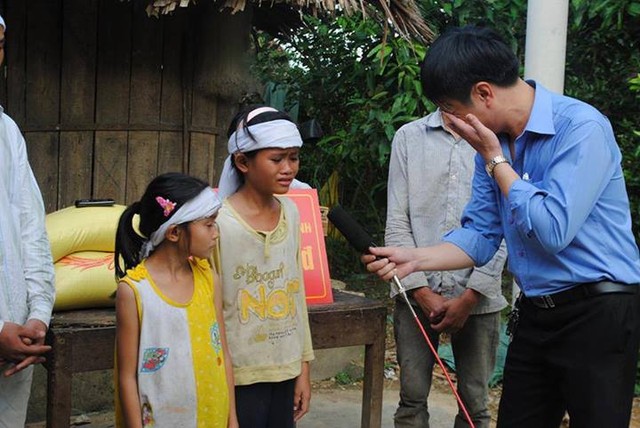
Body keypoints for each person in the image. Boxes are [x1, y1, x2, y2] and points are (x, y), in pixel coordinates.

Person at [363, 25, 640, 428]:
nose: (452, 123)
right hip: (537, 312)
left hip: (598, 312)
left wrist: (497, 161)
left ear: (483, 93)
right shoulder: (493, 144)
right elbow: (480, 235)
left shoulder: (581, 128)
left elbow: (553, 230)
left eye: (451, 110)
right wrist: (414, 258)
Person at [386, 108, 507, 428]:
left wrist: (470, 296)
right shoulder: (408, 137)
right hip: (415, 293)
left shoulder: (497, 140)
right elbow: (396, 223)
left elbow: (507, 223)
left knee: (475, 405)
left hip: (478, 297)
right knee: (411, 401)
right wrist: (421, 292)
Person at [215, 105, 314, 427]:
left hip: (286, 365)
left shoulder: (292, 212)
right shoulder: (218, 224)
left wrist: (303, 367)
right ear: (242, 162)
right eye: (277, 159)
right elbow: (212, 308)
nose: (288, 168)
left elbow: (296, 296)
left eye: (294, 158)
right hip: (239, 371)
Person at [114, 172, 238, 428]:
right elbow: (126, 377)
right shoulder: (135, 291)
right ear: (173, 232)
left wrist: (232, 419)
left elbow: (223, 354)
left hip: (212, 416)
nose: (216, 233)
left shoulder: (208, 279)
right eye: (208, 225)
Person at [0, 14, 56, 428]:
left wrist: (38, 314)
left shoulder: (6, 131)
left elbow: (31, 229)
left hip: (15, 342)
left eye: (0, 45)